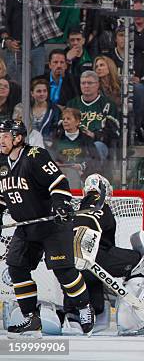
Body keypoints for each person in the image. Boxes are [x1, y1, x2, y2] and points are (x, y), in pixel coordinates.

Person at [0, 120, 95, 337]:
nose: (1, 140)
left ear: (18, 138)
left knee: (64, 271)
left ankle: (83, 307)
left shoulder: (35, 155)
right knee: (16, 267)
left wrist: (61, 205)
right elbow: (3, 197)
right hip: (27, 228)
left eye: (5, 135)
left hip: (53, 223)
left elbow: (58, 182)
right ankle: (31, 319)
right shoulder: (2, 162)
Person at [62, 174, 144, 336]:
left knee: (94, 300)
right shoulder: (103, 207)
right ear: (104, 191)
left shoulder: (77, 210)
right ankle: (129, 319)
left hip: (71, 268)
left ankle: (74, 318)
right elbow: (107, 247)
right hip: (95, 258)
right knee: (140, 262)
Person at [66, 71, 120, 161]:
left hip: (98, 144)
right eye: (83, 83)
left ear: (97, 85)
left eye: (90, 83)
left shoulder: (108, 105)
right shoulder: (72, 104)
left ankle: (87, 170)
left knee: (94, 148)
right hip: (75, 143)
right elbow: (62, 128)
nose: (86, 86)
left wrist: (94, 135)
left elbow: (114, 132)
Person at [51, 108, 100, 184]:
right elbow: (51, 157)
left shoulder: (86, 139)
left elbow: (96, 160)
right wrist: (56, 163)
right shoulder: (57, 138)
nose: (65, 121)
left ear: (77, 122)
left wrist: (82, 166)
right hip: (61, 176)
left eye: (68, 119)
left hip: (83, 177)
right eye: (63, 119)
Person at [15, 79, 61, 147]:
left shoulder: (54, 110)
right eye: (38, 91)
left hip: (48, 147)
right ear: (32, 93)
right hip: (27, 144)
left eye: (44, 91)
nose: (42, 94)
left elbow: (56, 131)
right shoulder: (24, 108)